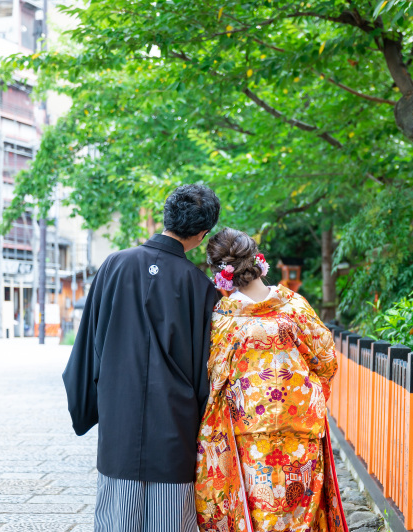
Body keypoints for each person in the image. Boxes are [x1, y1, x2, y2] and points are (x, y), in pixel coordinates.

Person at [62, 184, 221, 531]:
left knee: (118, 518)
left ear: (166, 217)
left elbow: (88, 346)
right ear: (201, 233)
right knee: (171, 520)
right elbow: (208, 374)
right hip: (175, 423)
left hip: (120, 413)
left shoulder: (114, 265)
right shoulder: (200, 287)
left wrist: (90, 404)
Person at [195, 228, 348, 532]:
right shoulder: (294, 308)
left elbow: (212, 379)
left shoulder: (222, 321)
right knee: (298, 512)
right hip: (300, 430)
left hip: (247, 435)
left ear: (220, 273)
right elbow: (327, 360)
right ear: (258, 260)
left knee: (259, 511)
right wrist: (307, 392)